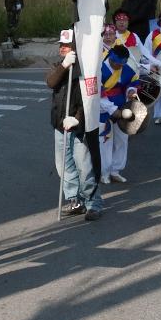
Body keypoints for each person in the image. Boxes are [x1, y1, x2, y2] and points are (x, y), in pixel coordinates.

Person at [46, 30, 103, 220]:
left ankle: (93, 202)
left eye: (67, 45)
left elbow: (90, 100)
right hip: (60, 126)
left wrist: (77, 118)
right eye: (61, 45)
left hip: (79, 127)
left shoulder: (86, 71)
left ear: (76, 48)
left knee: (84, 167)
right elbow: (51, 82)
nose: (62, 48)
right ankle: (74, 200)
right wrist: (64, 65)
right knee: (65, 166)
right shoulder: (59, 66)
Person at [98, 43, 139, 185]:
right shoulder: (99, 69)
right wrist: (112, 110)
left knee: (122, 140)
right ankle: (104, 172)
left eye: (122, 64)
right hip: (103, 110)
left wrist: (131, 91)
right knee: (105, 142)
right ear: (111, 59)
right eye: (117, 64)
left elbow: (132, 82)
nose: (119, 67)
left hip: (122, 108)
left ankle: (116, 170)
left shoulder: (125, 69)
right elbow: (97, 93)